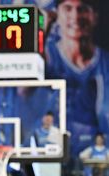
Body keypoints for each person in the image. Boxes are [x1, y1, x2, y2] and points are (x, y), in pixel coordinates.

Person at [45, 0, 109, 156]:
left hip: (94, 150)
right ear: (57, 14)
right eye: (68, 8)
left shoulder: (104, 62)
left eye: (83, 9)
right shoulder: (47, 57)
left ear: (95, 16)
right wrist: (43, 30)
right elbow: (23, 91)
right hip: (56, 149)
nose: (75, 16)